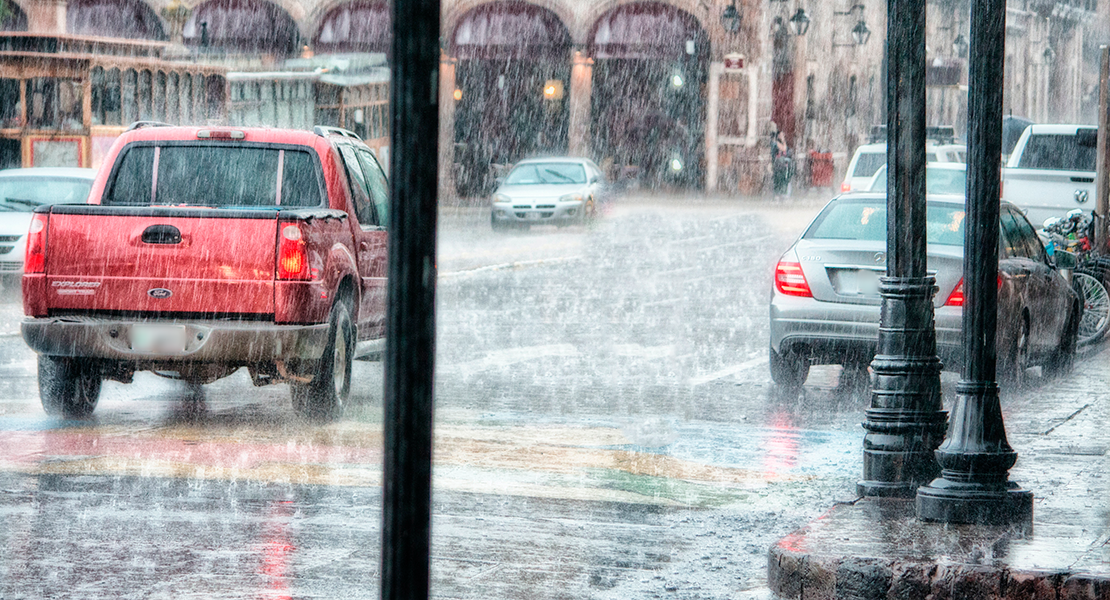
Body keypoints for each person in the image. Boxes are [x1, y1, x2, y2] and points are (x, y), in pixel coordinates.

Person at [771, 129, 793, 196]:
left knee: (784, 178)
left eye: (783, 135)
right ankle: (778, 193)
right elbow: (784, 149)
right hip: (778, 165)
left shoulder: (783, 144)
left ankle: (783, 192)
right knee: (779, 179)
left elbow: (786, 151)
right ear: (778, 136)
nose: (782, 136)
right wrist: (783, 141)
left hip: (784, 165)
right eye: (781, 135)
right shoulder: (776, 143)